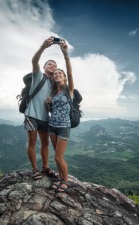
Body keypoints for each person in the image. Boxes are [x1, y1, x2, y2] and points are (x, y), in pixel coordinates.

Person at [24, 36, 59, 180]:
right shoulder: (38, 76)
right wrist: (43, 47)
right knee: (32, 142)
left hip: (45, 117)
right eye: (50, 64)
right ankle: (34, 169)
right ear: (44, 67)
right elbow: (34, 61)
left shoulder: (54, 84)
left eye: (54, 65)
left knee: (45, 143)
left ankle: (45, 168)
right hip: (32, 114)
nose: (52, 66)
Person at [46, 39, 75, 193]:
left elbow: (70, 72)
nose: (57, 74)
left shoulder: (68, 89)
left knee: (58, 157)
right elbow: (52, 110)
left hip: (64, 127)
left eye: (59, 73)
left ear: (63, 77)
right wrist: (48, 103)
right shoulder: (53, 92)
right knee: (56, 157)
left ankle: (65, 181)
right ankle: (60, 178)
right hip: (52, 127)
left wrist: (66, 55)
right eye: (55, 73)